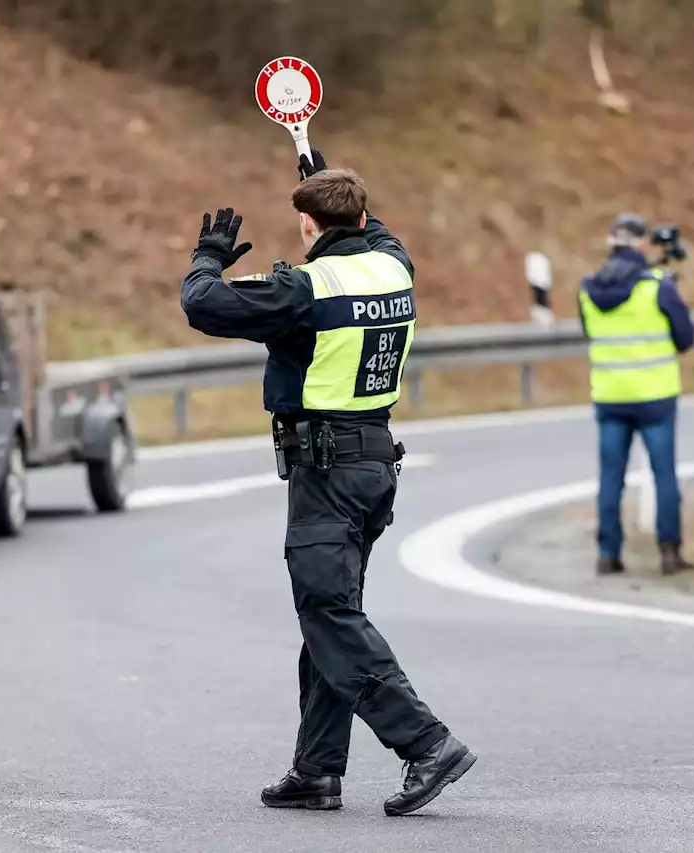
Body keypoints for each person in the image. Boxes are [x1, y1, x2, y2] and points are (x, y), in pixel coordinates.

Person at [180, 148, 476, 817]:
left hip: (325, 469)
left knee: (329, 613)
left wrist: (208, 255)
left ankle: (426, 742)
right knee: (331, 612)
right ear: (363, 214)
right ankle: (317, 771)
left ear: (310, 228)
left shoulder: (303, 289)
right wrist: (324, 175)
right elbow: (373, 226)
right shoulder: (394, 265)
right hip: (375, 463)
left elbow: (202, 304)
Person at [578, 213, 694, 576]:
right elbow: (685, 338)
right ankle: (669, 553)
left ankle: (608, 554)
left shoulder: (588, 288)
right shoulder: (657, 286)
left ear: (611, 244)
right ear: (642, 245)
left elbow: (590, 334)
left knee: (611, 477)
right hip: (656, 398)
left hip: (611, 396)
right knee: (664, 475)